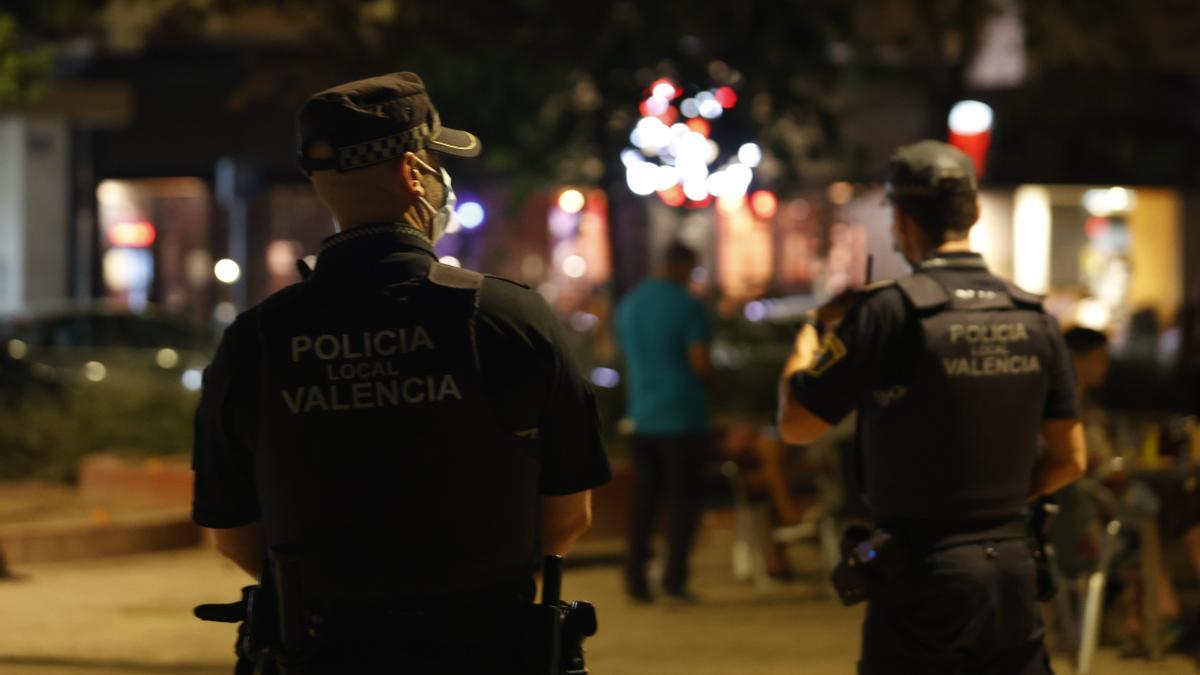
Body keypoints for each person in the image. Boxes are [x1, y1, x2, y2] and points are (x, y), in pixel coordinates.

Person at [191, 72, 611, 673]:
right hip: (485, 647)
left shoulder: (254, 341)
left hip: (319, 650)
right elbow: (569, 516)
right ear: (415, 173)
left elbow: (234, 535)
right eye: (438, 164)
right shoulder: (511, 317)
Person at [777, 140, 1087, 674]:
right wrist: (1000, 501)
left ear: (902, 219)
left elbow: (796, 423)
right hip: (1013, 570)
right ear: (974, 211)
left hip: (923, 572)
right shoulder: (1033, 316)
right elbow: (1070, 460)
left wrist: (811, 336)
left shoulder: (887, 313)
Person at [616, 242, 713, 602]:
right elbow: (700, 360)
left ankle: (636, 577)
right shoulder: (687, 305)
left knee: (643, 500)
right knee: (682, 501)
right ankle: (674, 579)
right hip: (683, 414)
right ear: (684, 265)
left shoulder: (630, 304)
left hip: (642, 413)